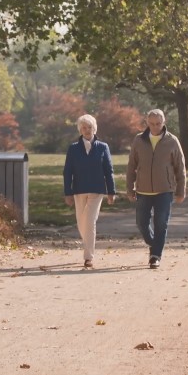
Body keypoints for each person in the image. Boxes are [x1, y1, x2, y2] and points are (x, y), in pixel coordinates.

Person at [126, 109, 186, 269]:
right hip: (142, 190)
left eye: (158, 124)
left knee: (161, 224)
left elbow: (180, 167)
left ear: (164, 123)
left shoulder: (172, 141)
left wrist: (181, 191)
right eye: (151, 124)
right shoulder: (139, 140)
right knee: (141, 223)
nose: (155, 127)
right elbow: (131, 166)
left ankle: (155, 256)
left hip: (164, 190)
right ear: (147, 123)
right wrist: (129, 188)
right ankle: (153, 243)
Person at [63, 114, 117, 269]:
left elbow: (109, 170)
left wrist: (111, 191)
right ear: (80, 130)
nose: (87, 130)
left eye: (90, 127)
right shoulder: (73, 149)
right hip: (79, 190)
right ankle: (87, 242)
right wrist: (68, 192)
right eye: (84, 128)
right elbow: (68, 171)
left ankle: (88, 257)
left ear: (95, 128)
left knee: (90, 222)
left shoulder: (103, 147)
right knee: (81, 222)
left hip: (97, 190)